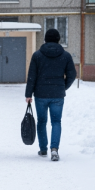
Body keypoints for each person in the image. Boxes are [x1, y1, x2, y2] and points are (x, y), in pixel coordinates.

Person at [25, 28, 76, 161]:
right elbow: (72, 75)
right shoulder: (65, 55)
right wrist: (62, 86)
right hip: (57, 95)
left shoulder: (37, 55)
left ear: (45, 39)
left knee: (41, 121)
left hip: (41, 94)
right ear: (59, 40)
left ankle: (43, 149)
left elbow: (32, 76)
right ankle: (54, 150)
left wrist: (28, 94)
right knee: (56, 122)